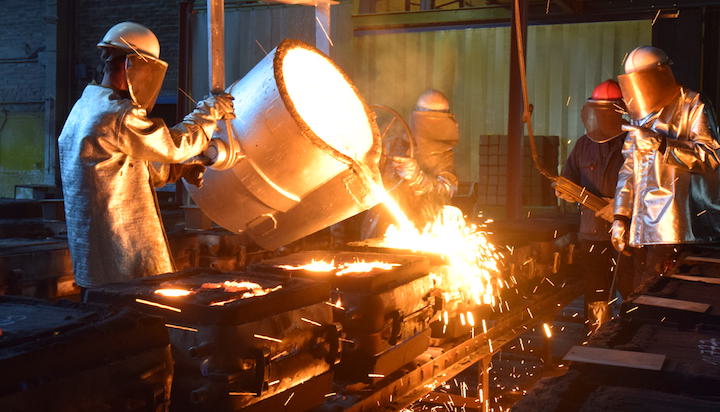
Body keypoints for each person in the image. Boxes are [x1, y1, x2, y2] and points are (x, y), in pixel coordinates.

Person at [59, 22, 234, 292]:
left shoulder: (83, 108)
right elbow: (175, 146)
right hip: (122, 250)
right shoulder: (117, 114)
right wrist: (209, 112)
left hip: (93, 254)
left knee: (107, 316)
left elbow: (120, 168)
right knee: (139, 319)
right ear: (135, 66)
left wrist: (179, 170)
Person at [612, 46, 720, 287]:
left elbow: (712, 157)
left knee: (671, 299)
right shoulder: (641, 113)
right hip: (643, 230)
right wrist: (620, 216)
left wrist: (663, 145)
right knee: (639, 296)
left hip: (681, 229)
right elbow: (629, 169)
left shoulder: (694, 105)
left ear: (661, 73)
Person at [555, 79, 629, 329]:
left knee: (631, 293)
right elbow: (568, 178)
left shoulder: (633, 145)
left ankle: (625, 343)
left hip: (627, 235)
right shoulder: (583, 145)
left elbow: (649, 189)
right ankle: (595, 338)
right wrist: (564, 190)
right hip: (591, 234)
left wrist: (620, 206)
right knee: (597, 294)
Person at [360, 89, 459, 239]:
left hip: (424, 227)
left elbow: (446, 190)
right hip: (383, 224)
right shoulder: (391, 141)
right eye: (427, 113)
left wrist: (417, 178)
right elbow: (367, 177)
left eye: (438, 115)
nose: (431, 123)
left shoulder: (444, 155)